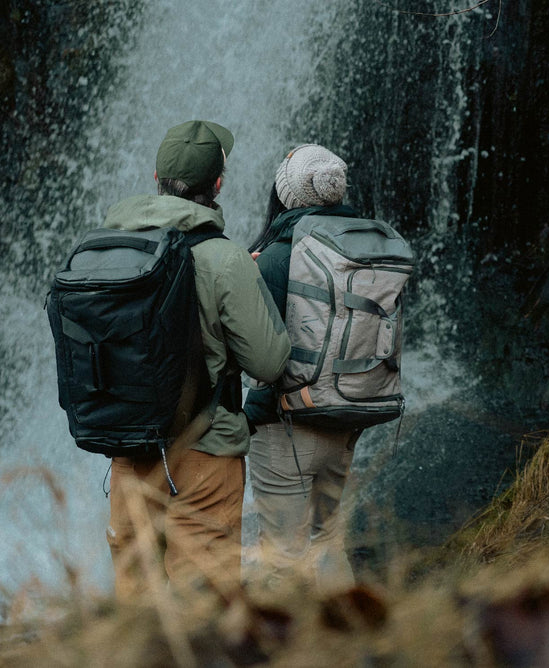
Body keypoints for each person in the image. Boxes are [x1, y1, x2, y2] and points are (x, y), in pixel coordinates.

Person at [104, 120, 291, 602]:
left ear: (155, 177)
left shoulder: (110, 250)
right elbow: (269, 364)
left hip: (130, 451)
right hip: (207, 452)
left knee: (136, 615)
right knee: (206, 611)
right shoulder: (224, 258)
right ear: (218, 185)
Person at [244, 143, 363, 593]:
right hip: (347, 417)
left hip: (287, 426)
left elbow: (259, 355)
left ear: (286, 196)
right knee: (329, 542)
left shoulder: (276, 258)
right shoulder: (357, 250)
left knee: (282, 561)